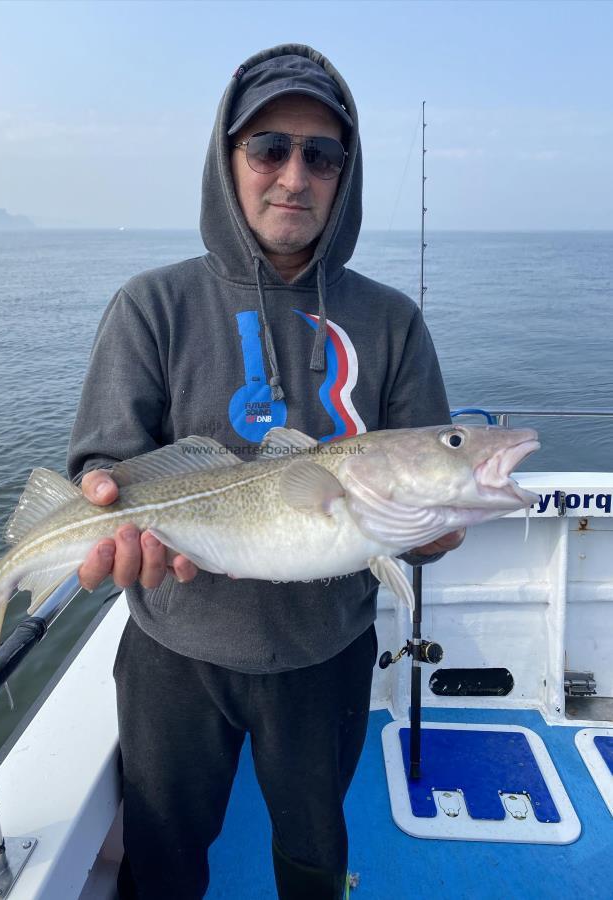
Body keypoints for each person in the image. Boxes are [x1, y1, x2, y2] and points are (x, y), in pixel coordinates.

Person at [68, 44, 463, 900]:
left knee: (314, 852)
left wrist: (434, 536)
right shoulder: (153, 304)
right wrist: (105, 498)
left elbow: (421, 496)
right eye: (269, 148)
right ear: (228, 159)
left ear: (344, 175)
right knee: (164, 856)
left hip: (325, 652)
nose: (295, 175)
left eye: (321, 155)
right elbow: (105, 458)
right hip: (172, 648)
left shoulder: (392, 321)